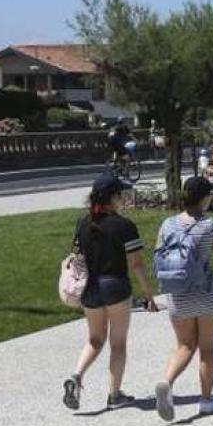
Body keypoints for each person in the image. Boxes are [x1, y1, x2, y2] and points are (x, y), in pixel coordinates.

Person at [62, 173, 159, 411]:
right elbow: (136, 263)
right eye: (121, 194)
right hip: (115, 286)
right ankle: (115, 395)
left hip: (90, 289)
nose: (123, 198)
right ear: (113, 197)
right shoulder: (124, 225)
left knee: (95, 339)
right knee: (118, 343)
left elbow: (77, 257)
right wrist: (148, 295)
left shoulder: (83, 223)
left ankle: (76, 376)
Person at [153, 177, 213, 422]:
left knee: (184, 345)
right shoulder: (212, 226)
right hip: (206, 293)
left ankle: (166, 382)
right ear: (204, 198)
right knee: (207, 348)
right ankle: (206, 400)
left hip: (177, 294)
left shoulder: (168, 224)